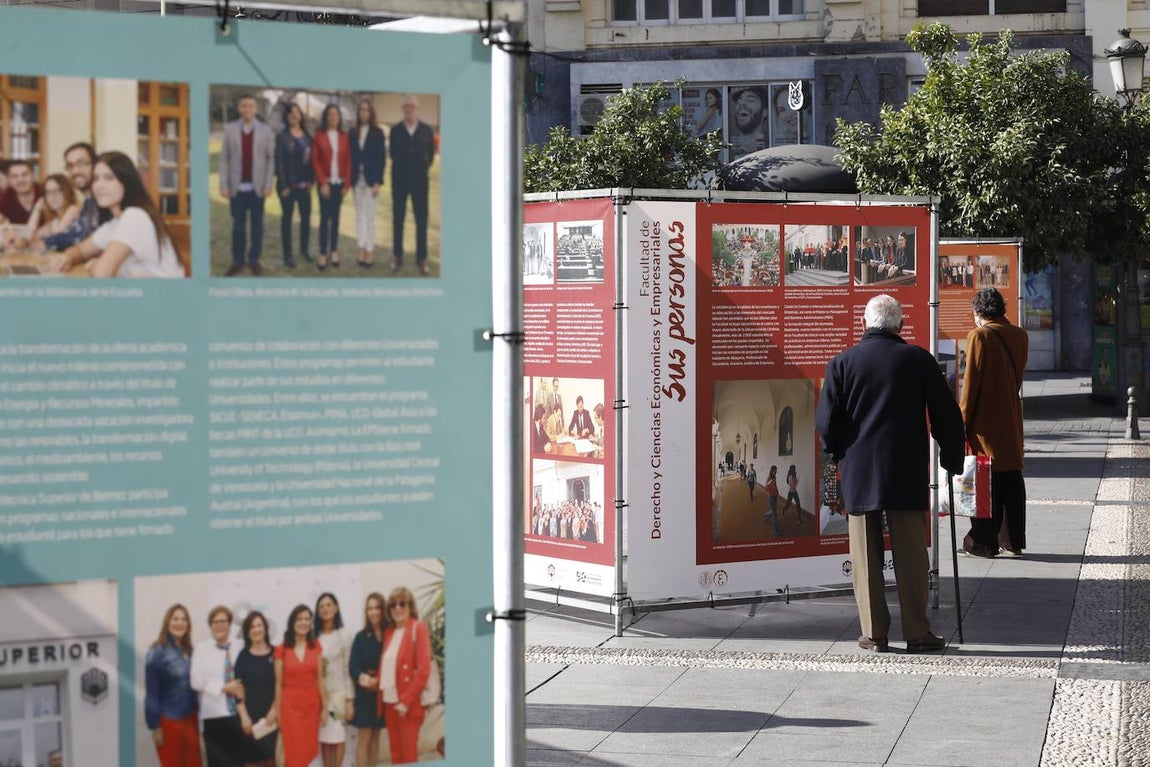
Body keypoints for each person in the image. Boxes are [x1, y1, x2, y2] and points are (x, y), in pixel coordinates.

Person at [815, 294, 964, 653]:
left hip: (859, 471)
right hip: (905, 468)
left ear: (864, 325)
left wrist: (835, 451)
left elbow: (826, 422)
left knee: (865, 557)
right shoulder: (918, 360)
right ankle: (918, 632)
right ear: (901, 326)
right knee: (912, 554)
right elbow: (946, 413)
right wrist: (952, 459)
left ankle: (874, 632)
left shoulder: (842, 363)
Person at [960, 287, 1029, 558]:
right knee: (1011, 477)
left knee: (985, 483)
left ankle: (983, 542)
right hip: (1010, 418)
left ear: (978, 312)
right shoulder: (1019, 335)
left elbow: (971, 386)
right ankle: (1012, 540)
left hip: (984, 423)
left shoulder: (979, 336)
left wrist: (962, 422)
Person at [49, 151, 186, 278]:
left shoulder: (135, 216)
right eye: (96, 179)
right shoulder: (116, 223)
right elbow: (81, 250)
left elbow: (101, 274)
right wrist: (67, 256)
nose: (99, 185)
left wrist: (95, 264)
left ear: (126, 182)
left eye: (109, 178)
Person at [219, 94, 275, 276]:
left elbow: (270, 159)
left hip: (258, 188)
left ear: (256, 109)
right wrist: (224, 185)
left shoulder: (266, 131)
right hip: (237, 188)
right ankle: (237, 260)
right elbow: (224, 159)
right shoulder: (229, 129)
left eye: (250, 106)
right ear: (239, 108)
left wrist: (268, 184)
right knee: (238, 227)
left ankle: (254, 259)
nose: (247, 109)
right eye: (244, 106)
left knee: (257, 226)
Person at [144, 604, 203, 767]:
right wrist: (155, 726)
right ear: (167, 622)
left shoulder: (190, 651)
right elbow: (151, 693)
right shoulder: (157, 652)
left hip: (191, 718)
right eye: (175, 618)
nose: (180, 623)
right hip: (169, 721)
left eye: (184, 619)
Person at [380, 586, 433, 765]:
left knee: (409, 756)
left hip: (407, 704)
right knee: (396, 755)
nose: (397, 608)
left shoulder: (417, 628)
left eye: (402, 603)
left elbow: (424, 669)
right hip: (389, 702)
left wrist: (406, 701)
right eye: (393, 605)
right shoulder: (389, 633)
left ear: (410, 606)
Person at [191, 606, 246, 767]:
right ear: (210, 625)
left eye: (223, 621)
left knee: (238, 762)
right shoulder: (202, 648)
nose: (219, 625)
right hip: (213, 716)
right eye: (215, 622)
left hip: (237, 715)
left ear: (230, 624)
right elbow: (195, 681)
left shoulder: (240, 646)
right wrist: (223, 688)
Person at [389, 93, 436, 276]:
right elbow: (393, 154)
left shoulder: (426, 130)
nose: (409, 109)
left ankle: (421, 259)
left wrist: (420, 168)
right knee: (398, 220)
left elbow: (431, 156)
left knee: (421, 221)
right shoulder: (395, 131)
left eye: (412, 106)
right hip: (399, 182)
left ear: (417, 108)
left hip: (420, 182)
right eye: (406, 106)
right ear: (402, 109)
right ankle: (397, 257)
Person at [275, 604, 325, 767]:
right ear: (292, 622)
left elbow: (320, 679)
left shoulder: (316, 646)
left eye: (307, 619)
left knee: (308, 751)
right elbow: (278, 684)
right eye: (299, 619)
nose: (303, 622)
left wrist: (324, 707)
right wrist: (277, 712)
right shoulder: (281, 649)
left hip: (311, 706)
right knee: (292, 752)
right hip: (290, 708)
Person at [315, 593, 354, 767]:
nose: (325, 609)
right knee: (324, 737)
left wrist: (350, 700)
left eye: (329, 605)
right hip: (319, 696)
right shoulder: (314, 636)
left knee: (338, 736)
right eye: (321, 606)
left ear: (336, 608)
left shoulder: (344, 634)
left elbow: (347, 668)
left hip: (338, 695)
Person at [234, 611, 278, 767]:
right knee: (251, 761)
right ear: (247, 631)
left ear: (265, 628)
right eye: (252, 626)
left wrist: (274, 711)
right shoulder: (242, 656)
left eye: (259, 625)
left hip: (271, 718)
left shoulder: (276, 653)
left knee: (271, 761)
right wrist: (244, 717)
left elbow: (281, 686)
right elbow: (238, 691)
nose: (256, 629)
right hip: (249, 720)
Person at [348, 592, 387, 767]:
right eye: (369, 608)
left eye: (377, 607)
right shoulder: (361, 637)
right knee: (364, 737)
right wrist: (363, 678)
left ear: (383, 609)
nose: (373, 612)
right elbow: (352, 666)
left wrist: (378, 681)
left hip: (382, 693)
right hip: (364, 693)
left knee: (376, 735)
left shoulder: (390, 634)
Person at [41, 142, 101, 252]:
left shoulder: (102, 203)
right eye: (70, 166)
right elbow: (69, 238)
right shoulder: (87, 205)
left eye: (81, 163)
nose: (75, 171)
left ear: (95, 165)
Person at [312, 103, 351, 271]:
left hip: (339, 184)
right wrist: (322, 182)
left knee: (335, 219)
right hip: (325, 185)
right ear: (325, 117)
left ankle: (334, 250)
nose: (333, 117)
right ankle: (322, 252)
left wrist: (347, 184)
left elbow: (349, 162)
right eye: (330, 114)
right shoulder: (319, 135)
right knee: (324, 218)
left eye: (336, 114)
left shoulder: (344, 136)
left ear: (339, 118)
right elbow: (315, 161)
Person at [274, 102, 314, 268]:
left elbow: (312, 161)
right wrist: (283, 185)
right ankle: (288, 255)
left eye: (297, 112)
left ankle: (304, 250)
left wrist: (312, 181)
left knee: (306, 220)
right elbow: (279, 163)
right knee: (287, 221)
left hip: (305, 186)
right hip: (288, 187)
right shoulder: (281, 136)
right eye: (291, 113)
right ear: (287, 116)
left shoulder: (307, 136)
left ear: (301, 116)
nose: (294, 115)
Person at [349, 98, 386, 268]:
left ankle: (369, 250)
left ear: (371, 113)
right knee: (359, 216)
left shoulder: (378, 133)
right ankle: (361, 248)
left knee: (370, 217)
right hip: (357, 179)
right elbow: (349, 157)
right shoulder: (352, 132)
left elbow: (381, 159)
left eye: (366, 110)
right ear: (358, 113)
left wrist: (378, 181)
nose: (364, 112)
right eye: (361, 109)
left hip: (372, 180)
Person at [26, 173, 79, 245]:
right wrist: (37, 208)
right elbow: (28, 237)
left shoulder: (73, 209)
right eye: (48, 192)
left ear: (67, 192)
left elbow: (56, 239)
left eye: (57, 190)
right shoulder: (55, 221)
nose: (52, 196)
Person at [727, 86, 768, 161]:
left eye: (750, 100)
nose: (742, 104)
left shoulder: (771, 147)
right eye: (739, 101)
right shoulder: (729, 151)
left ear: (765, 112)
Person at [0, 159, 41, 226]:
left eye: (25, 175)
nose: (20, 180)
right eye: (15, 176)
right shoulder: (5, 199)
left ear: (33, 175)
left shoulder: (45, 193)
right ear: (9, 180)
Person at [763, 465, 780, 536]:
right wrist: (770, 486)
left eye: (776, 471)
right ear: (772, 470)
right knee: (775, 514)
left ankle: (765, 515)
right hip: (771, 497)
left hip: (775, 496)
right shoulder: (769, 478)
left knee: (773, 511)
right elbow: (766, 488)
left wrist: (777, 492)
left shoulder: (774, 477)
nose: (776, 472)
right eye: (774, 471)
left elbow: (775, 485)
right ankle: (775, 530)